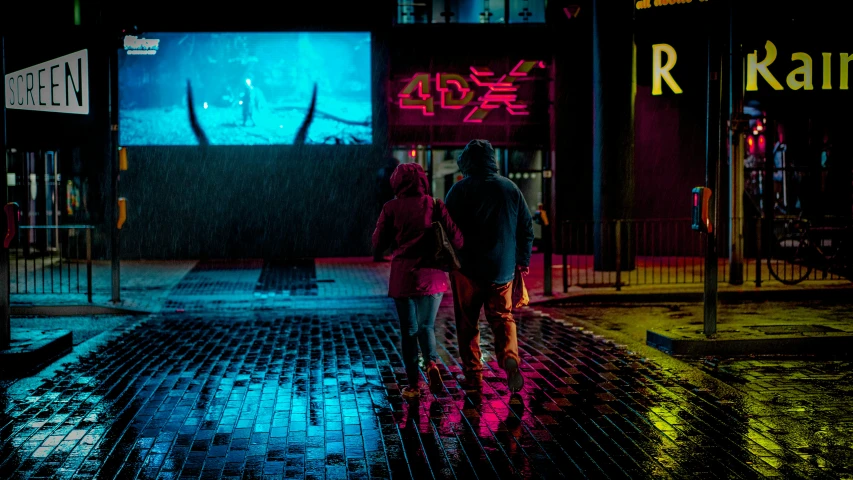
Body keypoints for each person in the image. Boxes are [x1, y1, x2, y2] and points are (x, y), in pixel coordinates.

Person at [445, 139, 534, 393]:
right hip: (502, 269)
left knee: (468, 322)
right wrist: (522, 260)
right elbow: (526, 228)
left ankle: (473, 374)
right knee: (503, 317)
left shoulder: (459, 191)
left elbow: (447, 229)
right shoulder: (510, 189)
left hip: (467, 270)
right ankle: (509, 357)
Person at [372, 163, 464, 399]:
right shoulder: (434, 204)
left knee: (408, 330)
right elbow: (457, 237)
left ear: (396, 182)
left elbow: (377, 243)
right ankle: (432, 364)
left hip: (403, 276)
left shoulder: (391, 208)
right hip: (432, 275)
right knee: (426, 326)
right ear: (423, 179)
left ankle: (413, 384)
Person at [374, 156, 401, 262]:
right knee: (390, 230)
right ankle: (390, 253)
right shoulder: (391, 173)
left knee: (383, 230)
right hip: (387, 205)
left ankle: (379, 254)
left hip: (382, 205)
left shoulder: (382, 172)